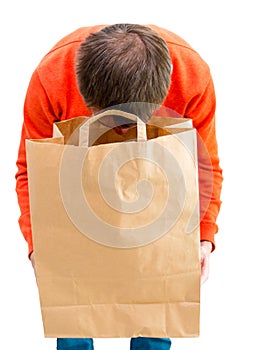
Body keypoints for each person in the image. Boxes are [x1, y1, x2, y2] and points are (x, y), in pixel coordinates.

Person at [15, 23, 223, 350]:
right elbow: (30, 168)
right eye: (109, 122)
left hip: (154, 197)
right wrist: (37, 245)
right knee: (73, 312)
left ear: (160, 97)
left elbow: (204, 164)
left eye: (129, 124)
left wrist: (204, 237)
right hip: (75, 194)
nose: (120, 135)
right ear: (86, 93)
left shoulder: (192, 77)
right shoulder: (52, 77)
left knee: (156, 297)